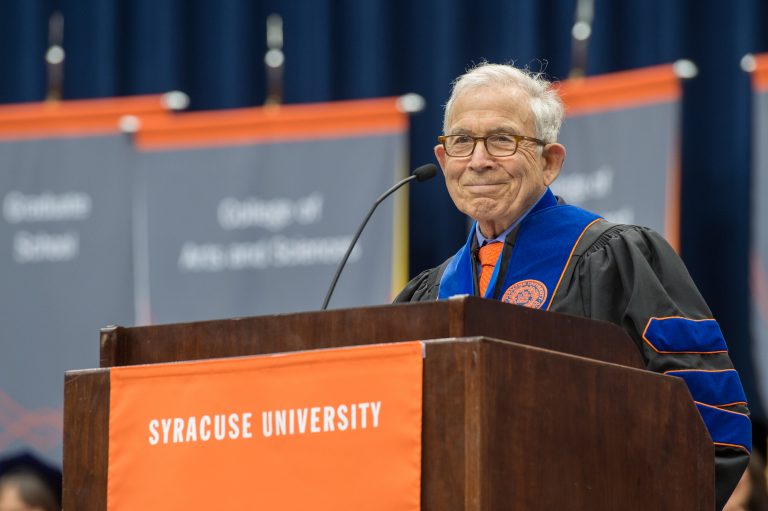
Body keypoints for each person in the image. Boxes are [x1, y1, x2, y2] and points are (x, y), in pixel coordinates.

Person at [394, 61, 751, 509]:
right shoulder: (429, 293)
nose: (479, 160)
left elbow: (712, 419)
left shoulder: (618, 259)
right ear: (444, 160)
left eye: (502, 139)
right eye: (462, 141)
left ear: (549, 162)